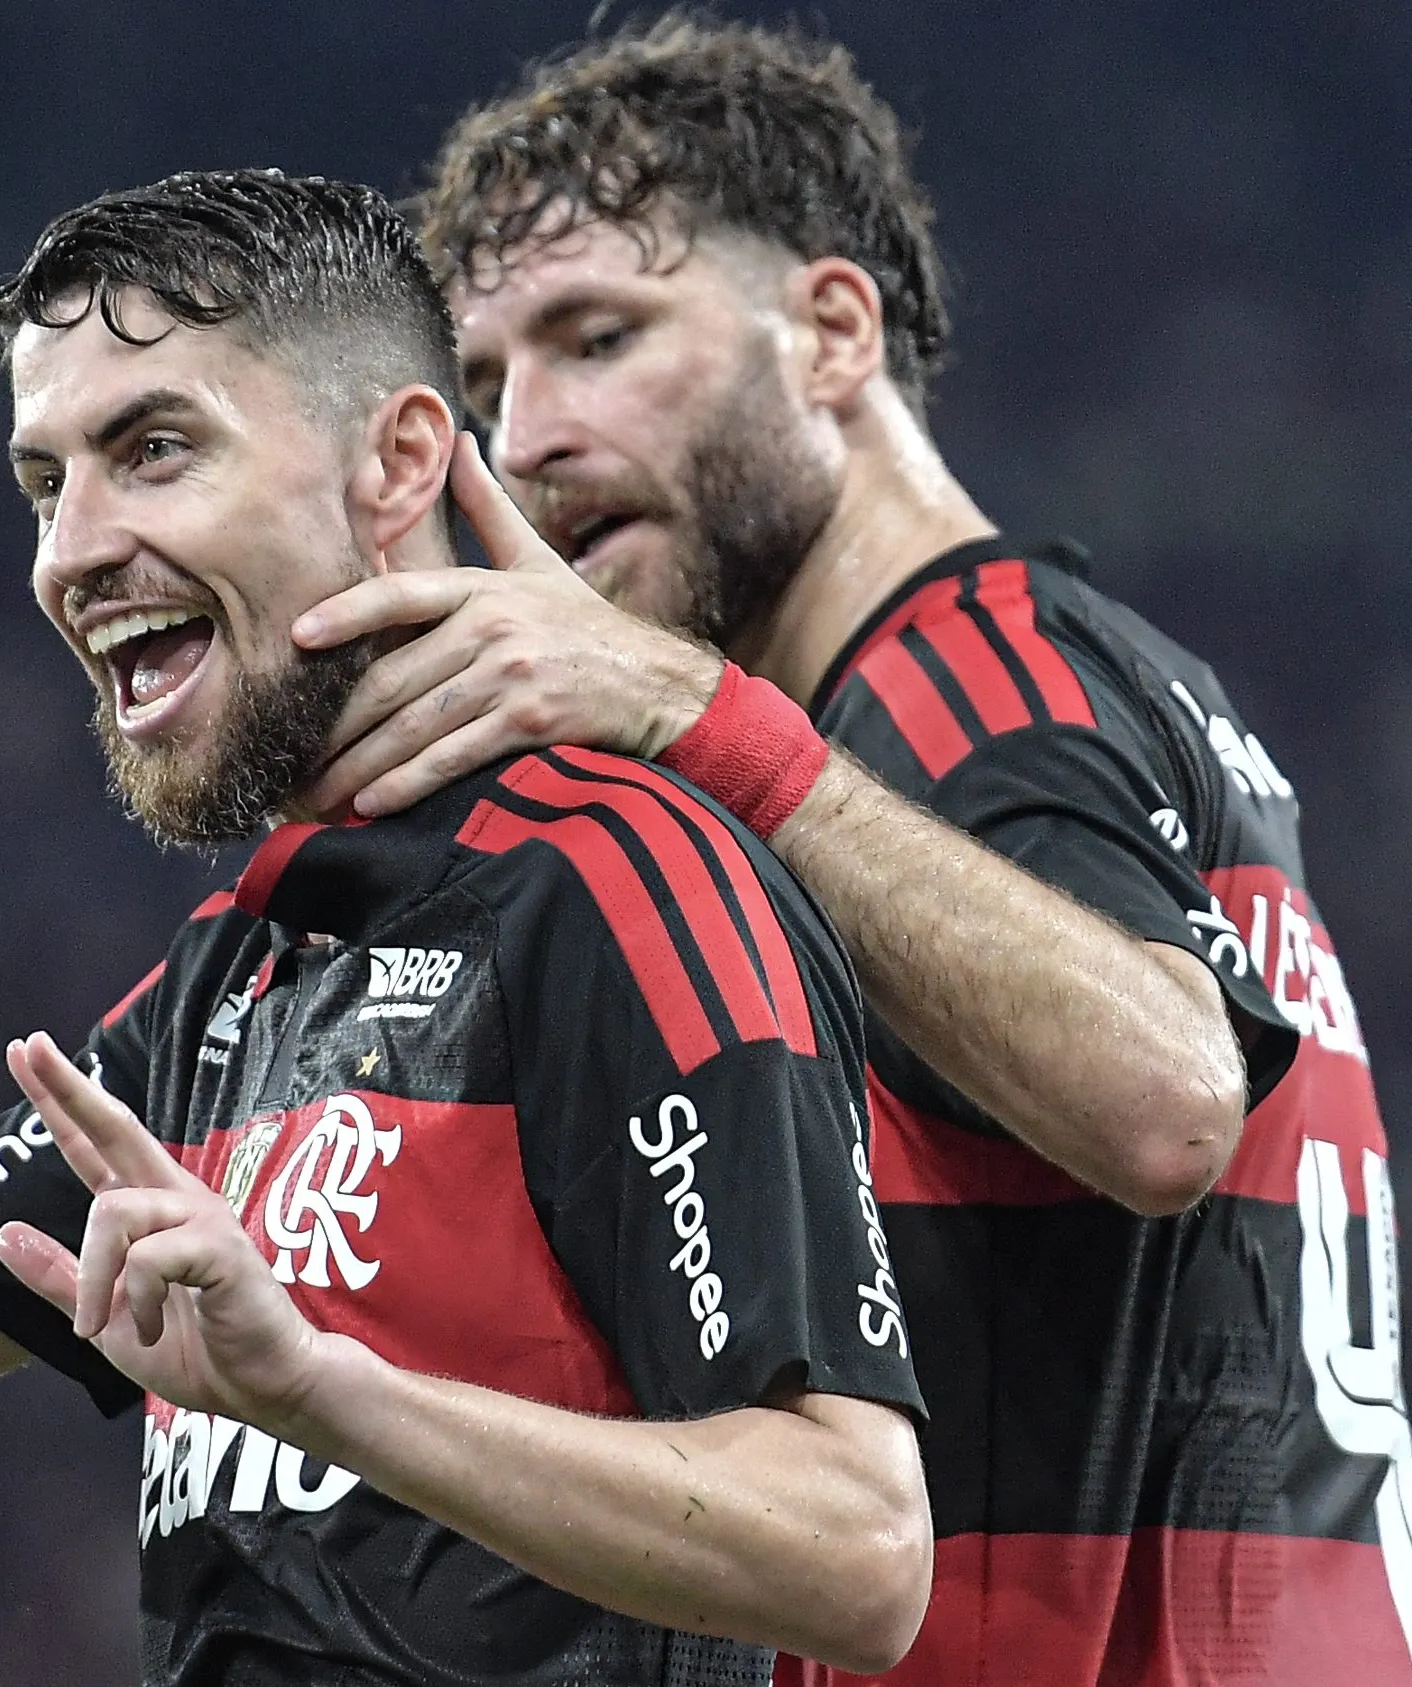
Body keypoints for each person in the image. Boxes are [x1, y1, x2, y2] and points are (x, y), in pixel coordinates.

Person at [0, 168, 933, 1685]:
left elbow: (855, 1544)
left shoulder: (621, 881)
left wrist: (329, 1395)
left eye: (154, 450)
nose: (70, 552)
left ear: (401, 459)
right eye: (43, 481)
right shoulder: (232, 974)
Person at [280, 18, 1408, 1684]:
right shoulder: (1090, 676)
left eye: (599, 337)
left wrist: (697, 716)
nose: (524, 440)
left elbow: (1171, 1097)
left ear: (828, 332)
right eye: (493, 383)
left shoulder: (961, 685)